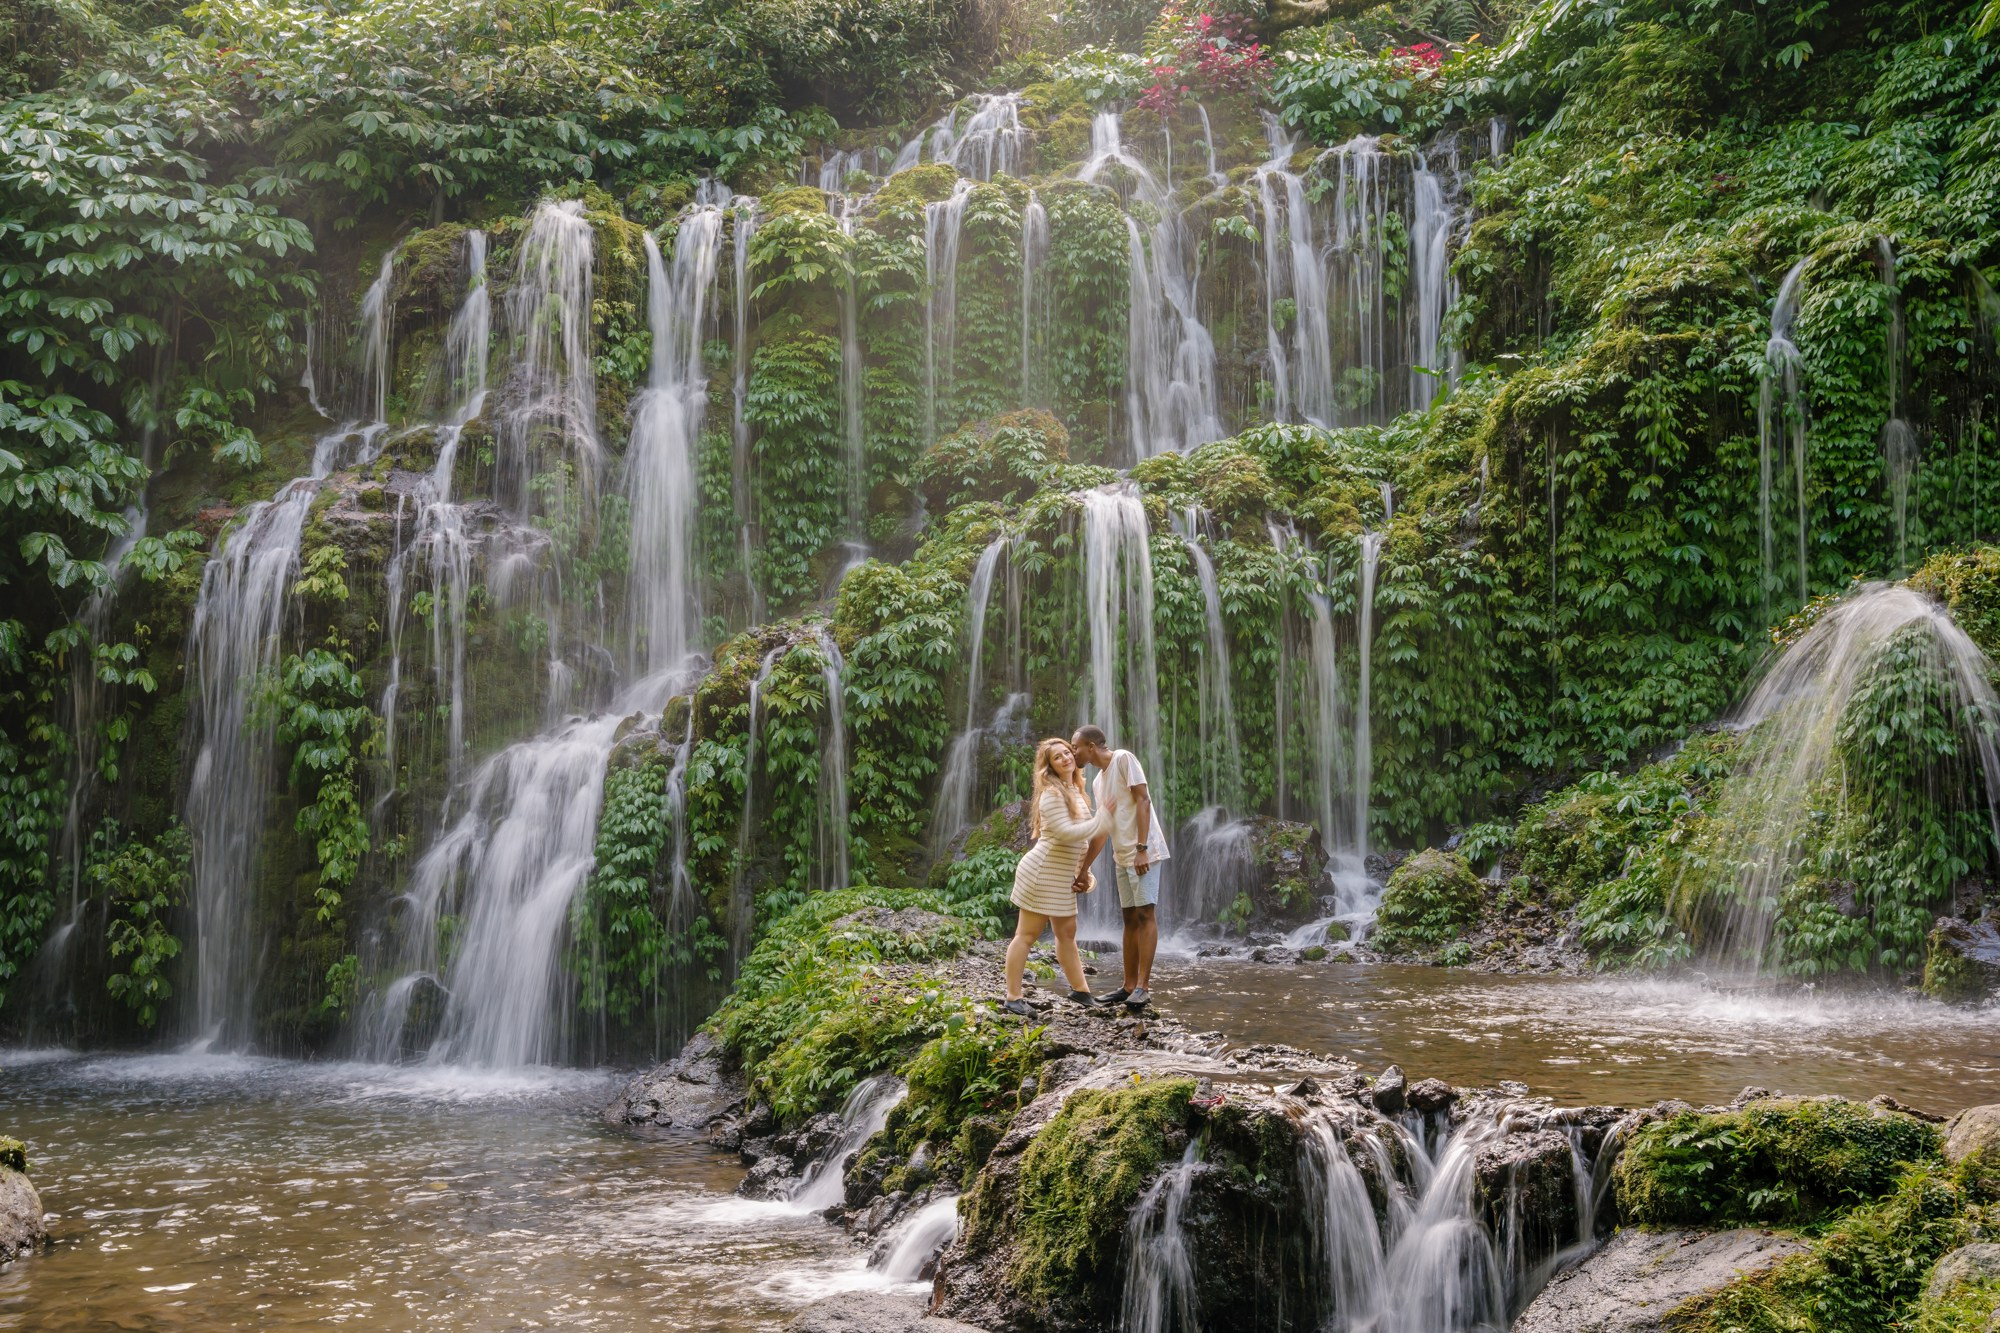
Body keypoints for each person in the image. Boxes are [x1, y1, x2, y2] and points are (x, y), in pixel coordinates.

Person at [1002, 738, 1110, 1017]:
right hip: (1041, 873)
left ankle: (1081, 991)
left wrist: (1085, 876)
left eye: (1066, 753)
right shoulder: (1052, 793)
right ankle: (1013, 997)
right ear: (1049, 767)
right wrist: (1102, 820)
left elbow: (1079, 845)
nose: (1065, 758)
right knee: (1026, 935)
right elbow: (1064, 834)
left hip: (1060, 876)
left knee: (1067, 934)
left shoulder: (1075, 791)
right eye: (1057, 757)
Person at [1070, 725, 1167, 1009]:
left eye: (1075, 747)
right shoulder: (1098, 782)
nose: (1072, 753)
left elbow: (1143, 799)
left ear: (1091, 747)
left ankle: (1143, 987)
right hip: (1122, 856)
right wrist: (1084, 869)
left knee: (1145, 914)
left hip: (1145, 853)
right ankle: (1128, 986)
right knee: (1129, 918)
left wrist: (1142, 849)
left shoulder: (1124, 759)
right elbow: (1103, 829)